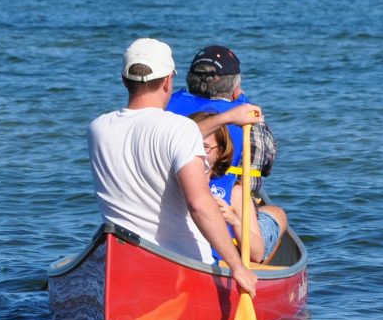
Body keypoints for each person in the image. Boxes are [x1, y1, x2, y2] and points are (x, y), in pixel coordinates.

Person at [87, 37, 260, 296]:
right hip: (184, 263)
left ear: (124, 80)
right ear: (168, 81)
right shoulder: (182, 130)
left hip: (127, 264)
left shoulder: (98, 128)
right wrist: (237, 266)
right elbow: (199, 204)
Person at [166, 45, 277, 191]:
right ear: (236, 84)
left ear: (190, 78)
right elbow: (264, 169)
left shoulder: (164, 106)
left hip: (172, 195)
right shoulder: (250, 120)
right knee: (276, 213)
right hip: (227, 201)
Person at [189, 111, 288, 265]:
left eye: (205, 147)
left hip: (221, 263)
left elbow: (256, 254)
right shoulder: (171, 182)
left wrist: (234, 220)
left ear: (220, 152)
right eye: (192, 146)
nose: (198, 153)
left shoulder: (235, 193)